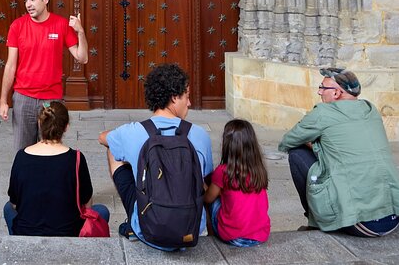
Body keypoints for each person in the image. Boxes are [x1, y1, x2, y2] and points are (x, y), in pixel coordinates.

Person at [98, 63, 213, 250]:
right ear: (174, 97)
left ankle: (135, 217)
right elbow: (205, 181)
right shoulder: (199, 134)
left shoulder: (133, 131)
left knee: (113, 148)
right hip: (191, 229)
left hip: (147, 229)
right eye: (187, 96)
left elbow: (102, 138)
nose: (189, 103)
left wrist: (125, 142)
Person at [279, 67, 399, 236]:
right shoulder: (370, 109)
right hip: (392, 219)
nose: (319, 92)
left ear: (336, 93)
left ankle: (316, 221)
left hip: (360, 223)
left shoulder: (323, 112)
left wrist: (315, 145)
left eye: (323, 87)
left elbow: (287, 141)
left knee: (297, 153)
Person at [0, 0, 89, 151]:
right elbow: (10, 65)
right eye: (26, 0)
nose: (28, 4)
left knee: (51, 149)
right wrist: (3, 100)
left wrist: (80, 32)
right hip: (23, 98)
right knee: (22, 150)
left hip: (51, 99)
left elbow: (82, 57)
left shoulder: (61, 25)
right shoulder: (17, 26)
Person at [4, 101, 109, 236]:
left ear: (39, 123)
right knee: (102, 211)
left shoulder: (21, 156)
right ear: (66, 127)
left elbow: (14, 204)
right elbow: (87, 205)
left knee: (7, 208)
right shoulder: (76, 158)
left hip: (27, 231)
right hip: (69, 232)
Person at [204, 119, 270, 247]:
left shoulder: (223, 171)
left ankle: (211, 238)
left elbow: (207, 198)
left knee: (210, 202)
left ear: (228, 144)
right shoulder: (259, 169)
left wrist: (202, 184)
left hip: (234, 236)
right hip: (261, 235)